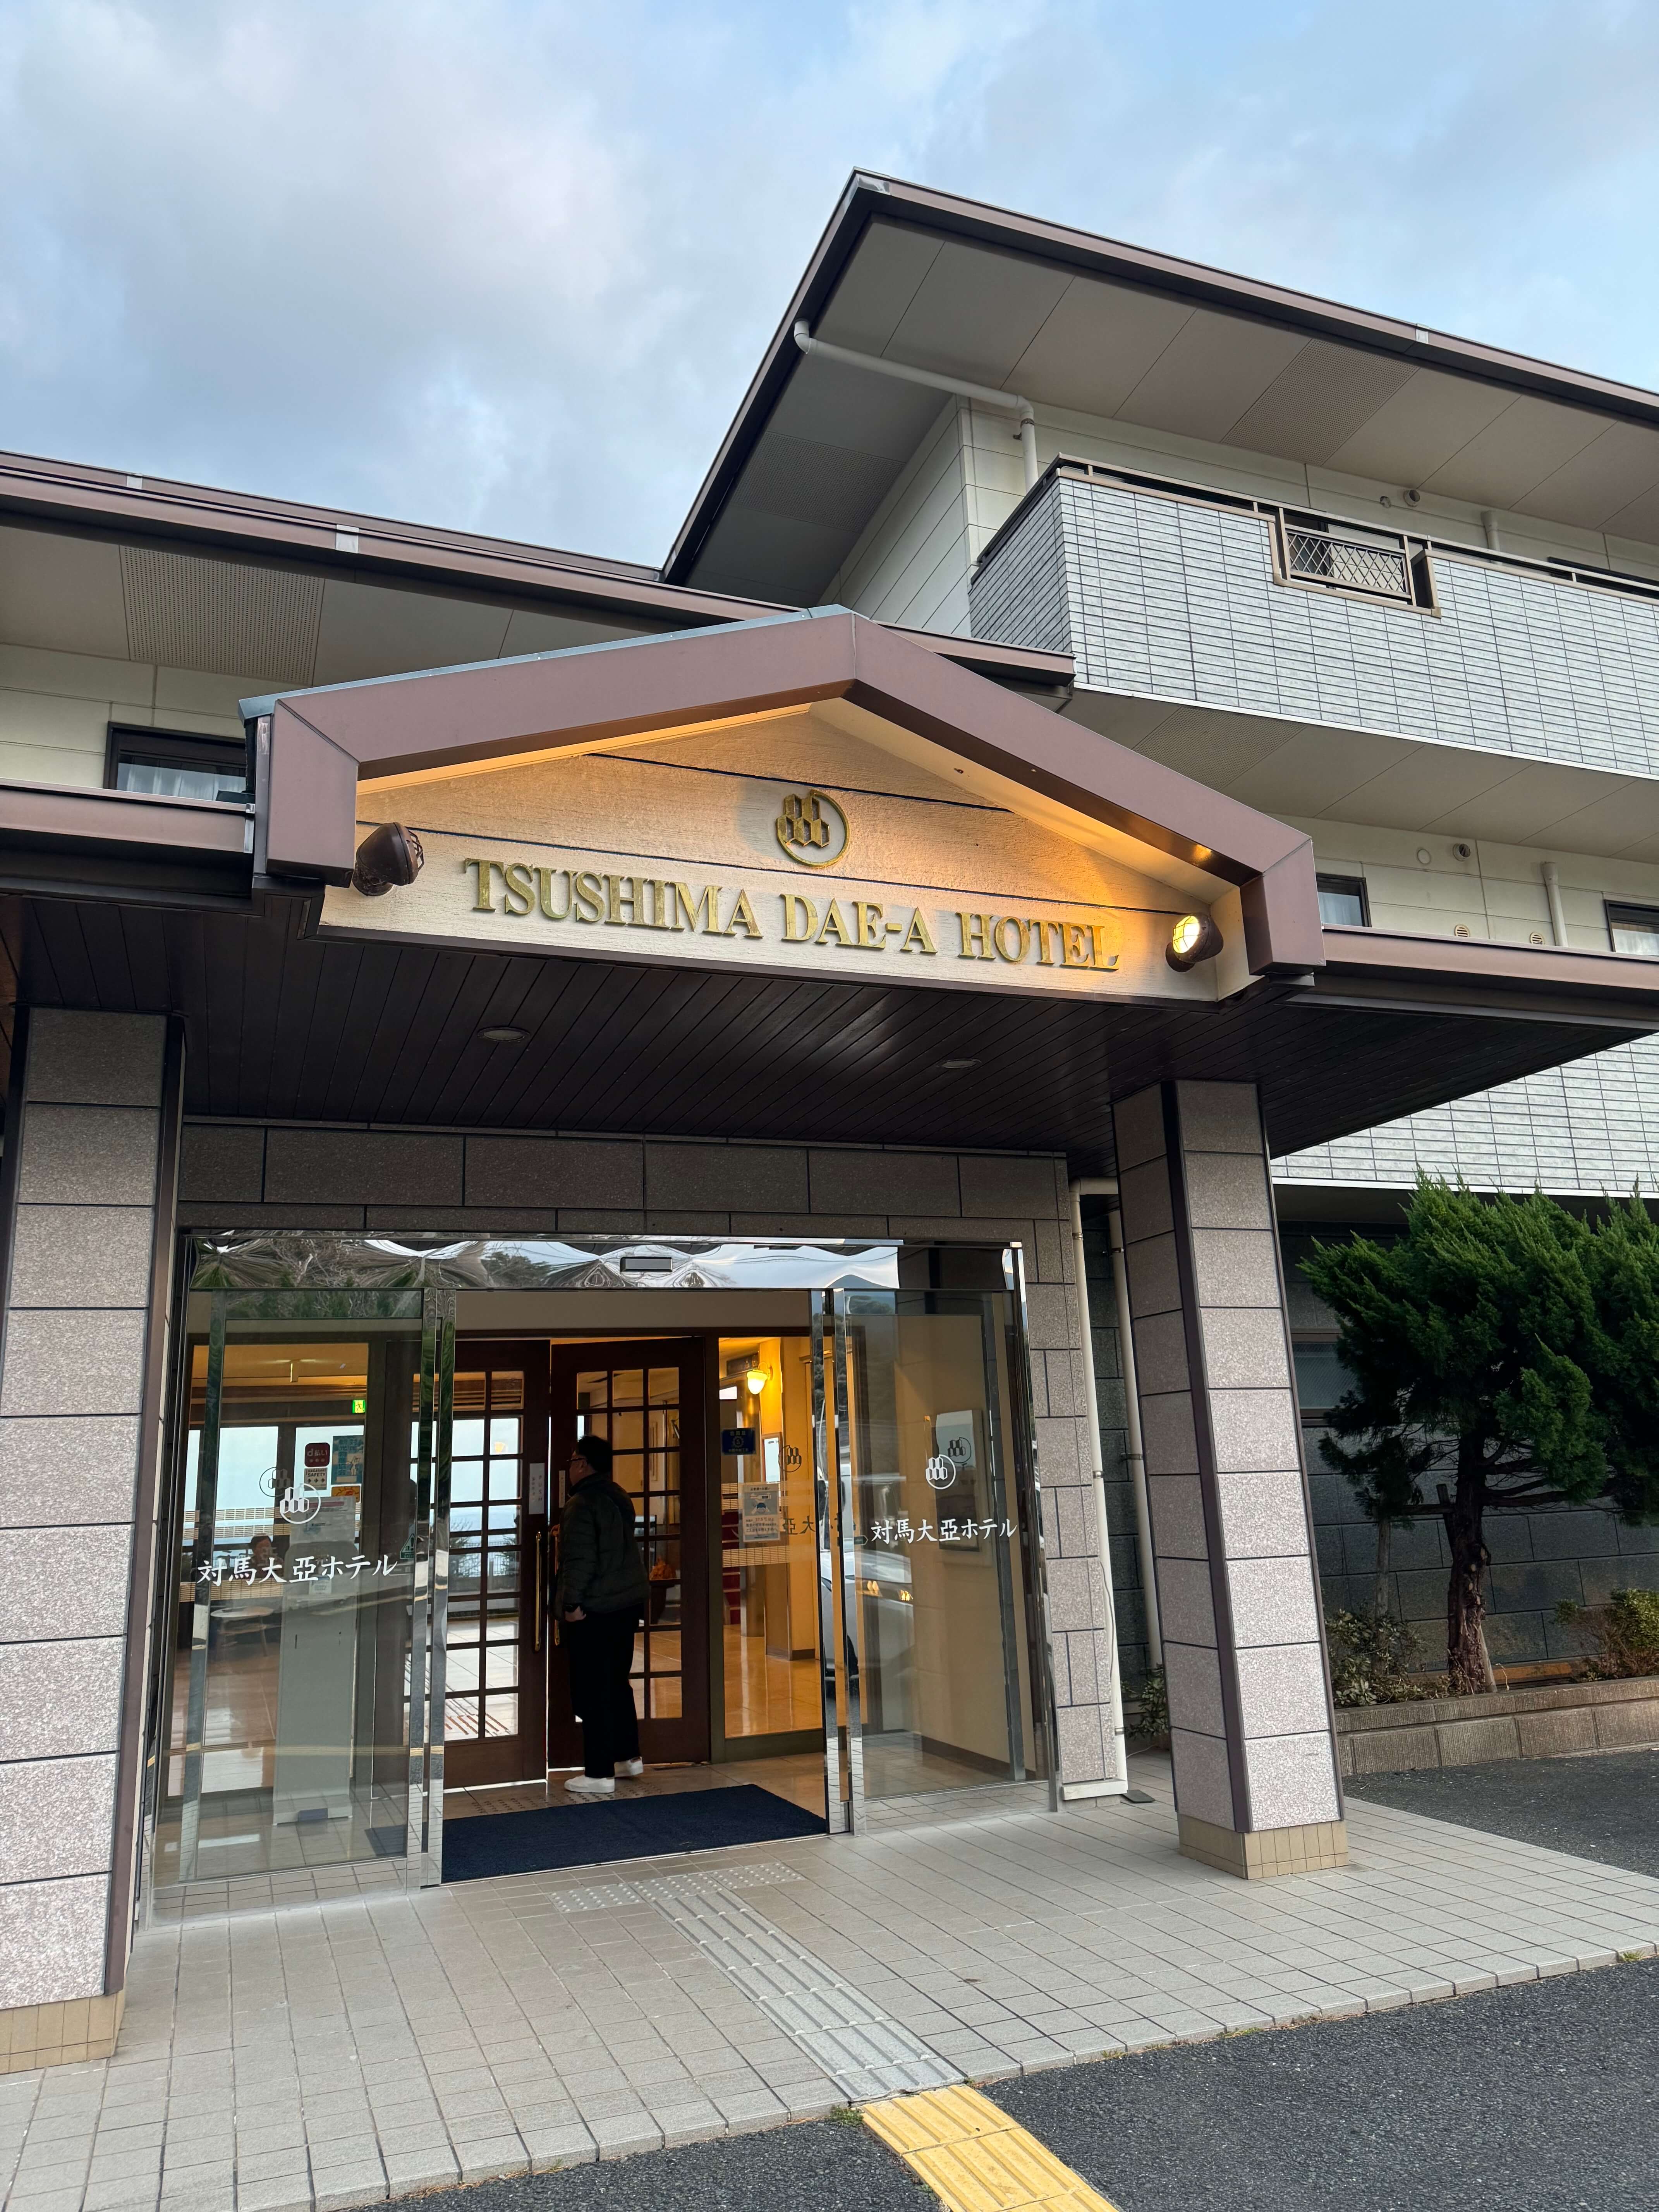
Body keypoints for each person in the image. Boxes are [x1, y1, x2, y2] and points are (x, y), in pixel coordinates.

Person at [554, 1434, 649, 1796]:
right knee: (617, 1682)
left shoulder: (581, 1504)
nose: (570, 1468)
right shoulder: (618, 1497)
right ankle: (627, 1758)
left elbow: (580, 1560)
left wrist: (571, 1605)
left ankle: (598, 1773)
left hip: (596, 1608)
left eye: (572, 1461)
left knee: (593, 1689)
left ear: (583, 1464)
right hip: (626, 1605)